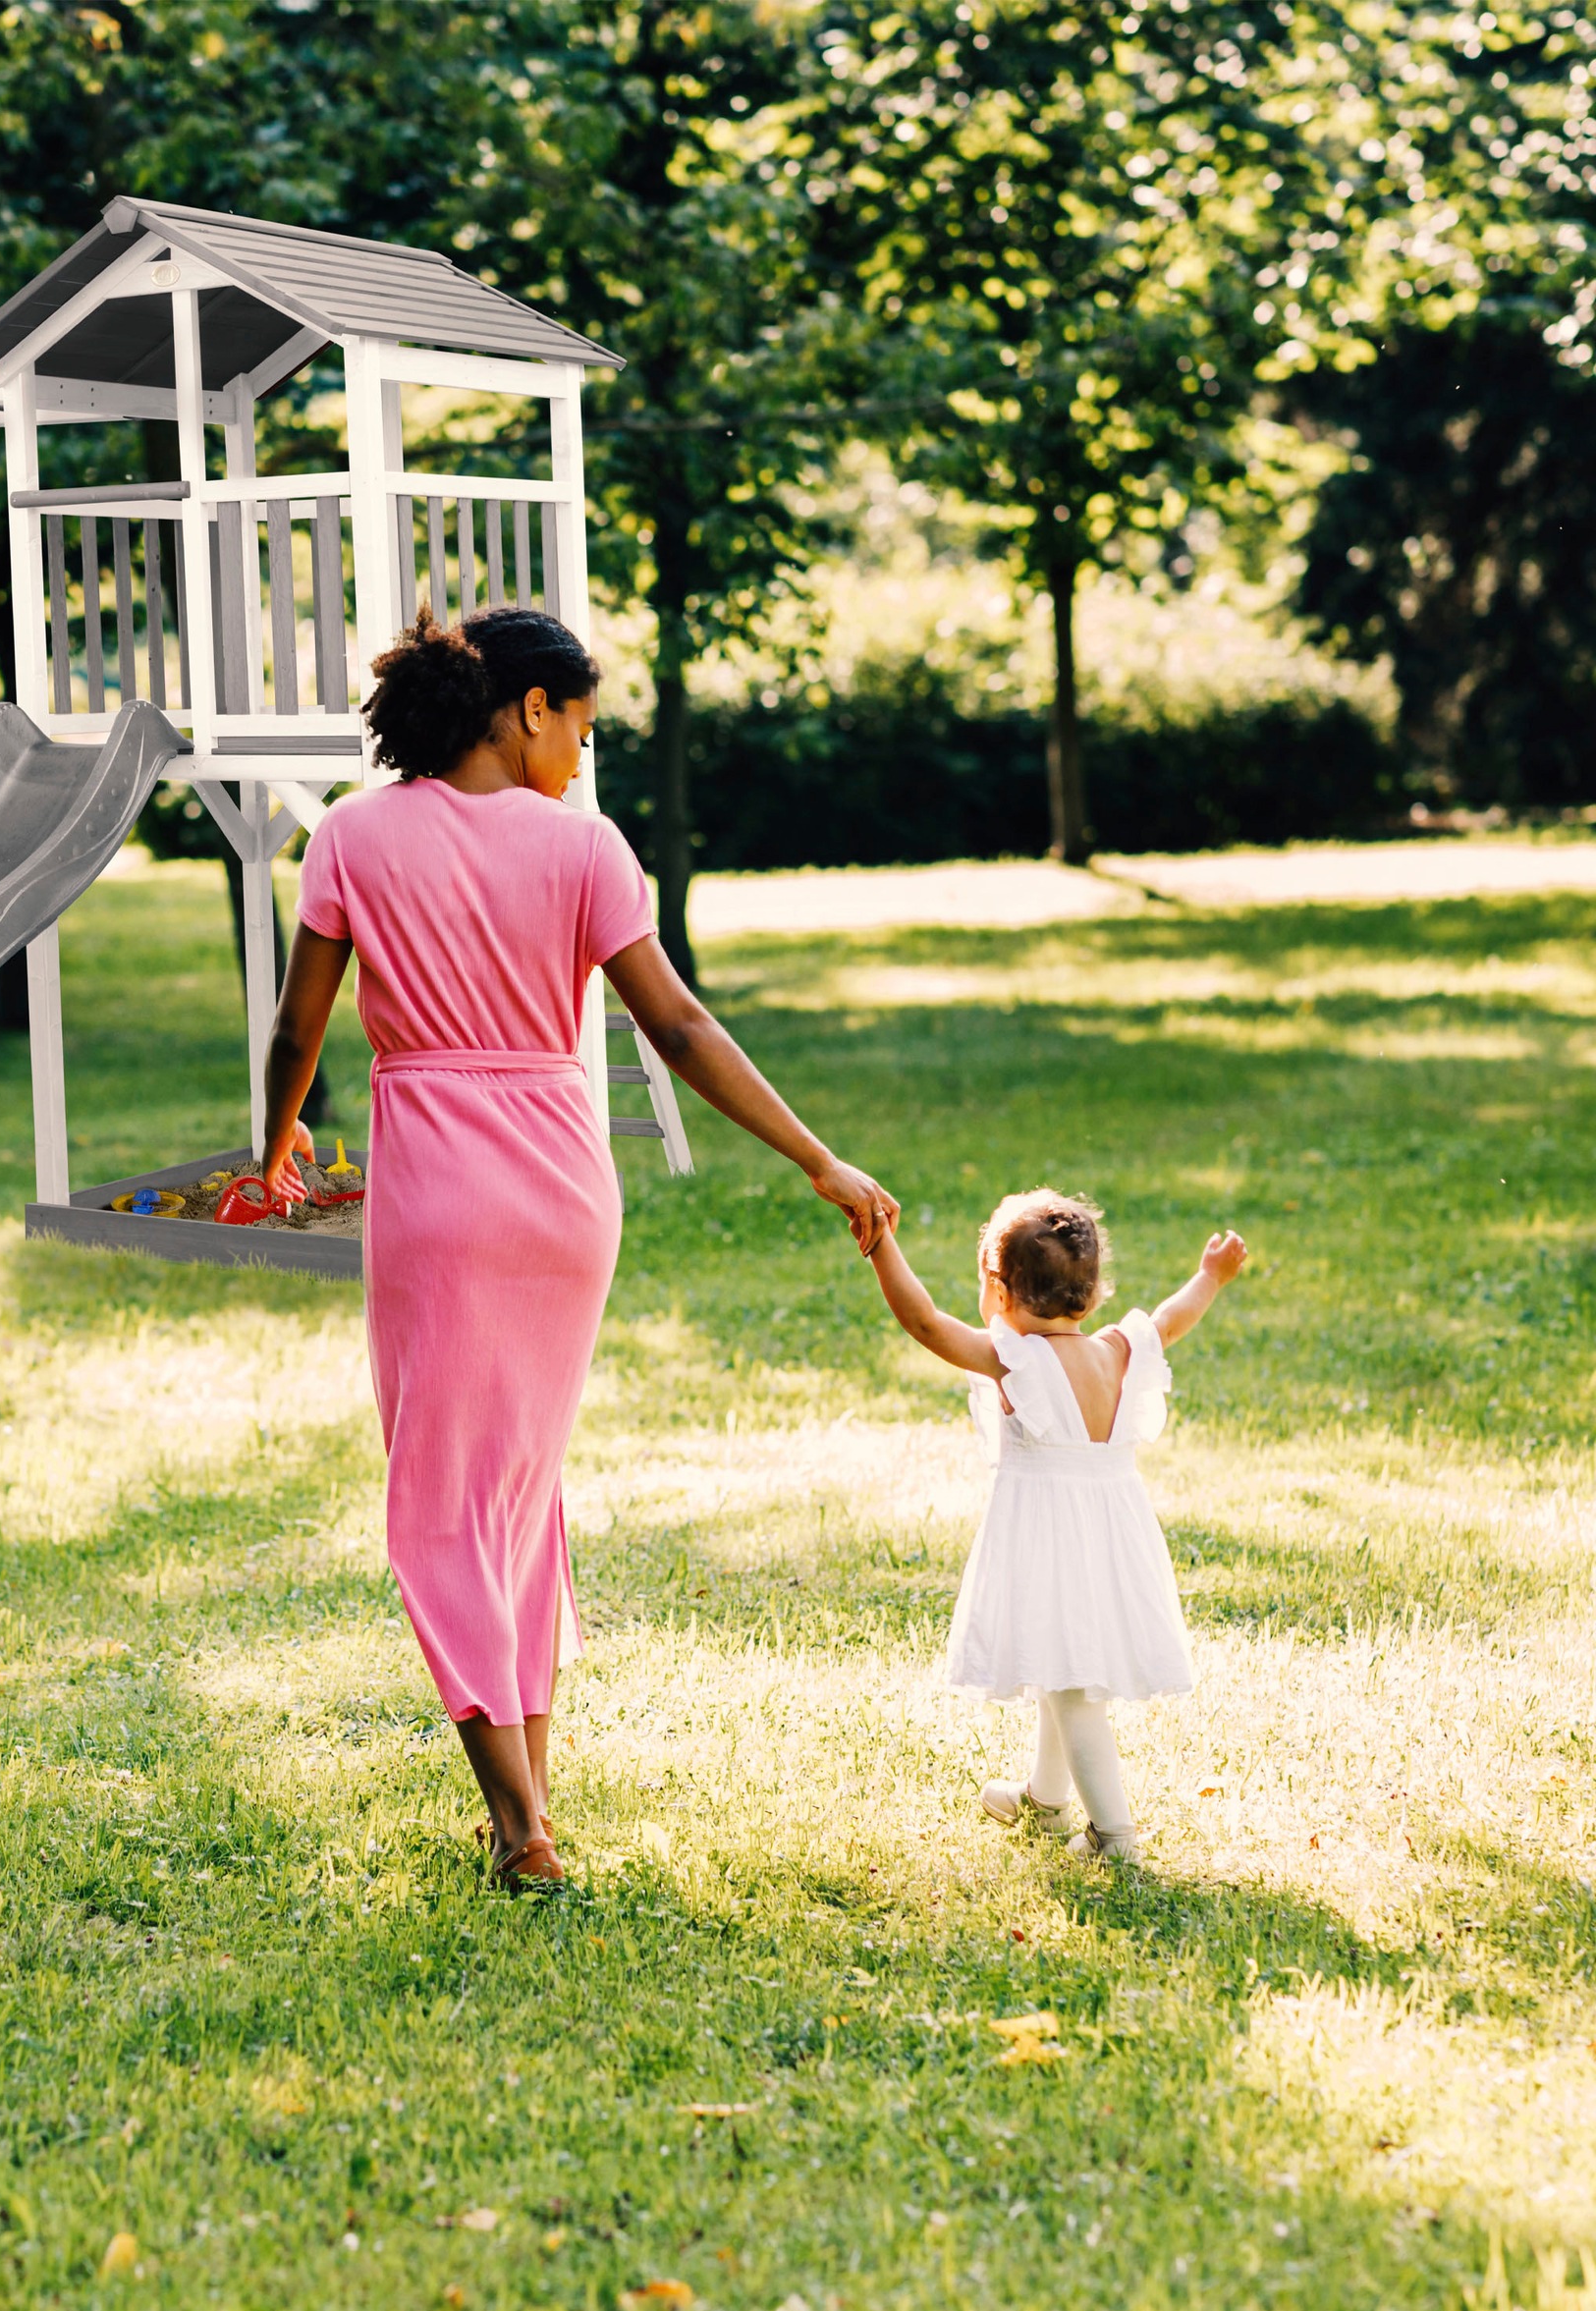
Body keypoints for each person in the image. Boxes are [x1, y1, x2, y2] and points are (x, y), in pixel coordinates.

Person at [258, 606, 898, 1890]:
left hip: (437, 1190)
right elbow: (680, 1026)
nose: (581, 759)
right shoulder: (586, 849)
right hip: (563, 1189)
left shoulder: (351, 834)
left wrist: (273, 1145)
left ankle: (517, 1825)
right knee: (516, 1492)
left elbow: (298, 1029)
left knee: (443, 1503)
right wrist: (816, 1156)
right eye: (581, 730)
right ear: (527, 708)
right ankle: (529, 1804)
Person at [863, 1187, 1248, 1861]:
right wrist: (1210, 1276)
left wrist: (880, 1243)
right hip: (1111, 1540)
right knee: (1057, 1663)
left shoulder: (1016, 1360)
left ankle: (1114, 1837)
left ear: (999, 1291)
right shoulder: (1120, 1349)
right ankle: (1044, 1800)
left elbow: (924, 1322)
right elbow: (1172, 1316)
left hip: (1050, 1542)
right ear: (1093, 1294)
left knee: (1072, 1691)